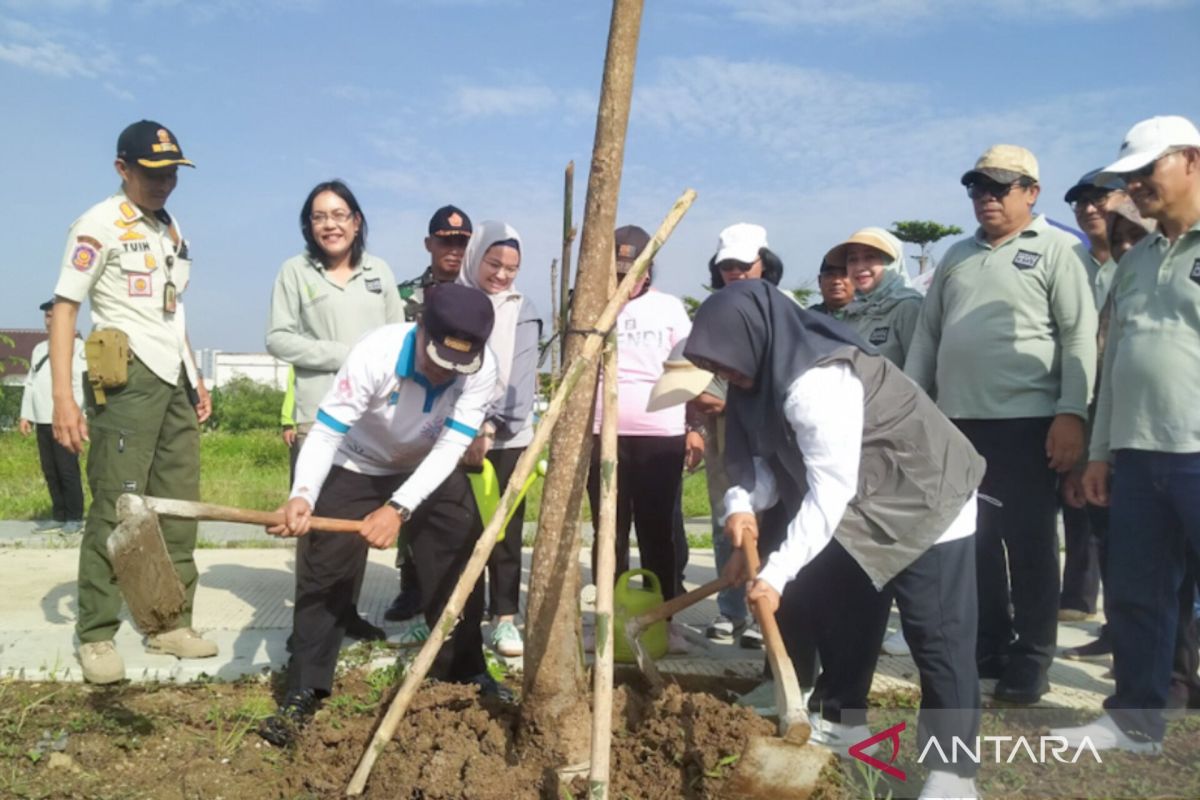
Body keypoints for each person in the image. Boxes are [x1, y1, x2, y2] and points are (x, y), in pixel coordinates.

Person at [685, 281, 985, 800]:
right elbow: (764, 461)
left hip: (925, 501)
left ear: (755, 339)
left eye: (728, 361)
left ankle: (955, 774)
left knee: (938, 639)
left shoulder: (817, 382)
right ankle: (844, 722)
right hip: (861, 507)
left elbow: (830, 487)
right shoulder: (759, 382)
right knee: (847, 612)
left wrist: (774, 574)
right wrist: (740, 508)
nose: (725, 375)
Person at [259, 283, 501, 747]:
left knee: (457, 559)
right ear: (420, 327)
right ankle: (305, 687)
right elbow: (326, 432)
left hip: (428, 464)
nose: (445, 372)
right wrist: (303, 496)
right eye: (437, 360)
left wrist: (398, 508)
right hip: (357, 462)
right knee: (324, 568)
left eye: (458, 365)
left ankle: (467, 671)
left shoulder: (481, 366)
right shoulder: (376, 353)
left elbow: (453, 444)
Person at [905, 144, 1098, 705]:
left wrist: (1071, 413)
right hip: (958, 425)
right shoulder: (957, 256)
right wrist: (916, 410)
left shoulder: (1060, 250)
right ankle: (988, 645)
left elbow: (1079, 336)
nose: (985, 197)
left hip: (1029, 422)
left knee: (1032, 545)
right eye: (977, 187)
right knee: (976, 544)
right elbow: (928, 337)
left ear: (1031, 192)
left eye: (999, 187)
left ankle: (1032, 660)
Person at [1053, 115, 1200, 754]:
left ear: (1192, 161)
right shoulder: (1135, 259)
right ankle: (1135, 720)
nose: (1135, 185)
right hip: (1139, 457)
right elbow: (1114, 365)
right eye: (1128, 176)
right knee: (1137, 595)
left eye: (1149, 170)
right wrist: (1102, 452)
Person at [50, 120, 215, 685]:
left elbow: (172, 311)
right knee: (118, 508)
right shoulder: (99, 224)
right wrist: (64, 399)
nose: (164, 182)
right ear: (123, 169)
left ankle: (168, 622)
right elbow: (66, 307)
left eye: (171, 172)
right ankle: (96, 633)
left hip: (174, 378)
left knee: (176, 506)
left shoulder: (170, 226)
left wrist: (196, 376)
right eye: (152, 173)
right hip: (127, 382)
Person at [265, 179, 405, 643]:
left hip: (371, 421)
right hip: (317, 415)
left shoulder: (379, 272)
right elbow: (278, 337)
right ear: (309, 225)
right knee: (312, 523)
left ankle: (346, 613)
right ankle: (310, 628)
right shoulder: (295, 272)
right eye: (320, 217)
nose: (331, 225)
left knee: (353, 524)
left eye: (339, 214)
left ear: (356, 221)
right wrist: (342, 354)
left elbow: (399, 339)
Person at [585, 225, 692, 653]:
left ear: (648, 269)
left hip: (659, 434)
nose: (626, 279)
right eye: (617, 271)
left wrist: (694, 429)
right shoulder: (592, 305)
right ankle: (606, 617)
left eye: (634, 270)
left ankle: (665, 620)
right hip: (601, 433)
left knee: (657, 530)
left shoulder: (670, 309)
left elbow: (689, 369)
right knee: (607, 530)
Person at [455, 221, 541, 658]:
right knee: (455, 527)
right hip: (454, 434)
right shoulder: (450, 297)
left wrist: (489, 427)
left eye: (512, 267)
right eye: (494, 264)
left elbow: (521, 384)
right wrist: (465, 428)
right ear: (476, 257)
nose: (502, 276)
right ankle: (455, 615)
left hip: (507, 435)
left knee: (505, 530)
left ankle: (504, 618)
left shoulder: (522, 308)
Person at [387, 205, 474, 624]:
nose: (453, 249)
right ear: (429, 244)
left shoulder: (479, 296)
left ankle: (459, 591)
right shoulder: (403, 297)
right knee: (408, 501)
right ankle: (411, 587)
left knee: (458, 513)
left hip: (460, 417)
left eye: (461, 242)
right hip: (410, 417)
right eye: (446, 240)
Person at [1057, 169, 1125, 625]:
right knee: (1088, 511)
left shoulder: (1141, 260)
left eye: (1099, 197)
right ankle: (1110, 623)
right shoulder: (1070, 263)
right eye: (1080, 201)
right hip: (1082, 406)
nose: (1088, 207)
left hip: (1136, 410)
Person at [20, 298, 86, 534]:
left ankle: (75, 516)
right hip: (42, 417)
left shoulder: (78, 347)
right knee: (50, 469)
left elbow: (79, 383)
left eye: (54, 315)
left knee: (67, 469)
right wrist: (25, 415)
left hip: (65, 420)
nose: (50, 320)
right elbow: (31, 383)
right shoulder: (39, 348)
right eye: (47, 316)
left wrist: (77, 414)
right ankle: (59, 514)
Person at [824, 227, 923, 367]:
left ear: (890, 262)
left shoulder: (908, 308)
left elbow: (921, 371)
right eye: (852, 259)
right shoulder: (851, 313)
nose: (859, 267)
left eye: (870, 257)